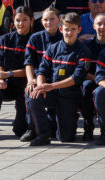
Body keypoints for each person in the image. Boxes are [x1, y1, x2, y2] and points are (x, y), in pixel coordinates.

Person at [25, 12, 89, 146]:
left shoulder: (83, 51)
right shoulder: (53, 48)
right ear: (61, 29)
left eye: (73, 29)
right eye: (66, 29)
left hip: (69, 95)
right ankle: (43, 134)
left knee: (65, 138)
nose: (69, 33)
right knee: (34, 96)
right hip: (52, 92)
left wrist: (51, 86)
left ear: (79, 30)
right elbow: (42, 70)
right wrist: (41, 85)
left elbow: (76, 78)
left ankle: (68, 120)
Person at [0, 7, 32, 140]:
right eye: (18, 20)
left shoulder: (34, 40)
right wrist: (0, 79)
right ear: (13, 21)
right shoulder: (5, 39)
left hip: (25, 86)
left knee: (20, 130)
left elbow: (32, 69)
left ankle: (24, 125)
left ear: (31, 20)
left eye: (25, 20)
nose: (21, 24)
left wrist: (9, 74)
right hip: (7, 83)